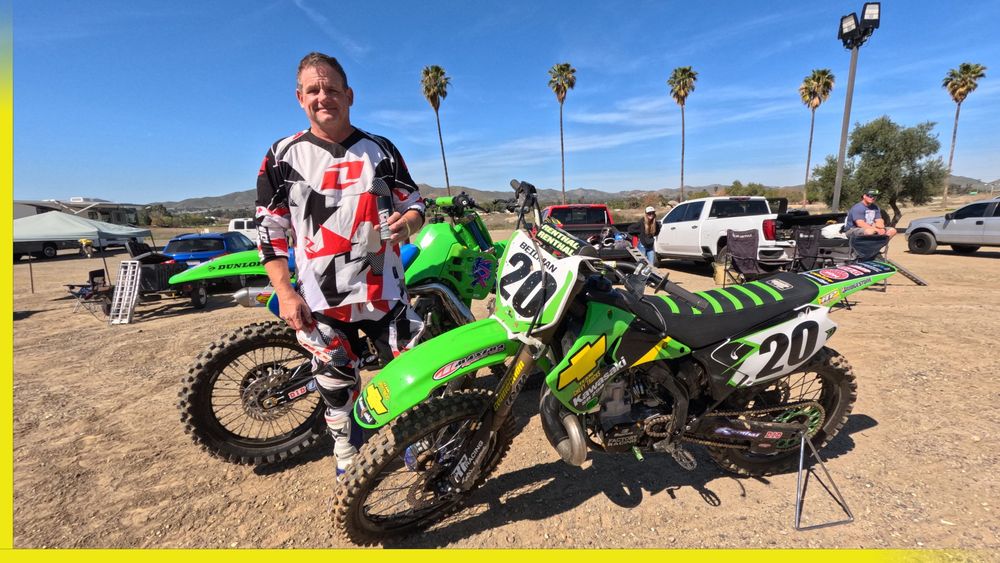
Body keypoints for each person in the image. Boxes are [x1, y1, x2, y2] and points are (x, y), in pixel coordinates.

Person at [256, 52, 426, 476]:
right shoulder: (282, 156)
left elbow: (415, 204)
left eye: (331, 88)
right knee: (335, 383)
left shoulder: (381, 150)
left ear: (349, 95)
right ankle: (347, 453)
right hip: (321, 299)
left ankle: (415, 439)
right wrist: (284, 291)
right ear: (300, 98)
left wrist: (407, 223)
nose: (323, 97)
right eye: (313, 90)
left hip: (385, 290)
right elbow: (269, 230)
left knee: (410, 373)